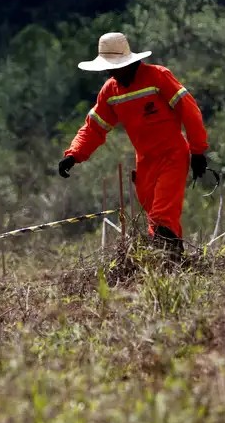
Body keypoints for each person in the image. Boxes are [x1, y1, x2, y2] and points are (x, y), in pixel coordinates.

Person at [58, 32, 209, 259]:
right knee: (154, 220)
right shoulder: (110, 91)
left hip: (173, 156)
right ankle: (174, 266)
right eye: (107, 67)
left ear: (129, 62)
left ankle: (166, 264)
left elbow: (190, 111)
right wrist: (74, 154)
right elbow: (94, 128)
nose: (110, 72)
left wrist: (197, 151)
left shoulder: (158, 77)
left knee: (162, 216)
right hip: (145, 163)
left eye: (114, 66)